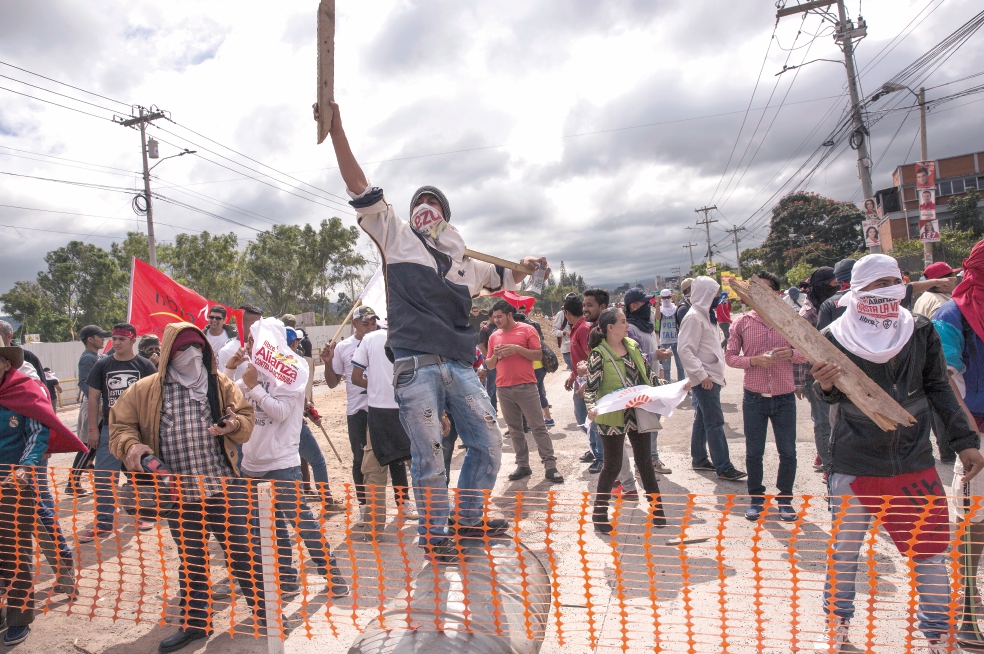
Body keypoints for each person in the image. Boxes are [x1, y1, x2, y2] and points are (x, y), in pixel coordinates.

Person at [319, 100, 547, 561]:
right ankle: (434, 534)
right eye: (419, 202)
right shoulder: (396, 237)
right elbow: (358, 185)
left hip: (460, 367)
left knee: (487, 443)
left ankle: (466, 521)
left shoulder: (466, 263)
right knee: (428, 456)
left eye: (434, 202)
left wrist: (523, 267)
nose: (426, 206)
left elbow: (507, 281)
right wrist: (339, 132)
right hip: (416, 368)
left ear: (445, 213)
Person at [811, 254, 984, 653]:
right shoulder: (834, 335)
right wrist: (823, 386)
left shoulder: (920, 329)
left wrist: (964, 442)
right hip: (854, 463)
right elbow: (828, 394)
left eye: (893, 281)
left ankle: (939, 636)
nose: (886, 291)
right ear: (856, 289)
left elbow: (939, 387)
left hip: (914, 462)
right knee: (844, 551)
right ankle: (837, 626)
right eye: (875, 284)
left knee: (929, 554)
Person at [108, 323, 266, 653]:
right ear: (168, 354)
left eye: (198, 348)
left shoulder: (219, 384)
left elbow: (246, 418)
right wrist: (133, 448)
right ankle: (196, 624)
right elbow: (120, 426)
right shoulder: (146, 390)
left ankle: (265, 613)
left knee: (242, 553)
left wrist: (235, 424)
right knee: (192, 561)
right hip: (178, 495)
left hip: (224, 487)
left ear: (206, 352)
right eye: (182, 350)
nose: (191, 355)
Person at [234, 318, 350, 600]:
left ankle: (334, 577)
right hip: (251, 464)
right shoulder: (250, 370)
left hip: (282, 464)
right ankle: (287, 579)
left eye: (252, 339)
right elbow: (230, 395)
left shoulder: (292, 370)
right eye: (249, 340)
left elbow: (281, 412)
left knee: (303, 524)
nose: (248, 344)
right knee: (269, 528)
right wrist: (230, 370)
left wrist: (255, 388)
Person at [0, 344, 87, 646]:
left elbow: (38, 433)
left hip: (16, 481)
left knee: (15, 551)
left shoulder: (25, 390)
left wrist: (24, 467)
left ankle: (20, 616)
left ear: (5, 362)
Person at [725, 271, 807, 520]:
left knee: (788, 452)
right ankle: (756, 499)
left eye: (766, 290)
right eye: (755, 290)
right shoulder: (741, 323)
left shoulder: (790, 321)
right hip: (754, 398)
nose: (760, 295)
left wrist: (791, 354)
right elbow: (730, 357)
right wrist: (753, 361)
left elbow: (807, 353)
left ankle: (785, 500)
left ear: (776, 294)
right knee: (754, 452)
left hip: (784, 397)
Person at [934, 240, 984, 643]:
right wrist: (969, 436)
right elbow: (947, 382)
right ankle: (967, 616)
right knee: (973, 524)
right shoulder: (953, 315)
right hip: (978, 436)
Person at [584, 308, 673, 533]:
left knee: (645, 463)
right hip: (612, 417)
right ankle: (599, 515)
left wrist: (672, 388)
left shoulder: (633, 346)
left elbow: (648, 377)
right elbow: (590, 388)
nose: (627, 326)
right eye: (623, 322)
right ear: (610, 328)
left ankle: (658, 511)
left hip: (638, 413)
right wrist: (590, 407)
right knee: (612, 466)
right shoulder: (598, 354)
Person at [79, 323, 157, 543]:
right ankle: (103, 523)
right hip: (110, 430)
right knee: (104, 477)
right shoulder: (102, 365)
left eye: (122, 339)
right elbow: (93, 398)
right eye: (114, 338)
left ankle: (144, 515)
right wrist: (93, 429)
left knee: (140, 475)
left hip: (138, 431)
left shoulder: (145, 366)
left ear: (133, 340)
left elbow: (155, 398)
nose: (117, 342)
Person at [486, 300, 564, 484]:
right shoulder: (493, 336)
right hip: (504, 388)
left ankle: (550, 466)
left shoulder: (527, 330)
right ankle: (522, 465)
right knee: (514, 430)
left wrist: (517, 349)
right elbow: (489, 365)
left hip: (526, 385)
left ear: (509, 314)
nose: (496, 320)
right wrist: (496, 355)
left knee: (538, 427)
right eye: (494, 317)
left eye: (499, 316)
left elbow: (538, 355)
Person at [679, 276, 746, 481]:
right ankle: (724, 467)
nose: (719, 296)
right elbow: (685, 351)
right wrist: (703, 375)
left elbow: (709, 349)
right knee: (715, 423)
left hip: (710, 377)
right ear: (706, 294)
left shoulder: (705, 315)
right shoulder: (693, 318)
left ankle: (699, 458)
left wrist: (717, 375)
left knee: (702, 419)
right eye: (715, 293)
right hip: (705, 379)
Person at [351, 325, 415, 532]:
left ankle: (375, 528)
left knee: (374, 471)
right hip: (409, 408)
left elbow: (355, 377)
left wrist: (376, 386)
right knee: (422, 466)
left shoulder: (370, 338)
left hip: (379, 412)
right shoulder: (411, 332)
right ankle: (433, 523)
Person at [322, 305, 378, 509]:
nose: (371, 327)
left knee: (391, 455)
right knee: (359, 458)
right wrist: (328, 363)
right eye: (366, 324)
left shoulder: (383, 341)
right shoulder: (344, 347)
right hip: (357, 411)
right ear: (353, 324)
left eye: (373, 323)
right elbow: (331, 382)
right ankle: (363, 505)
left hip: (381, 408)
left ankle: (401, 501)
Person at [284, 328, 340, 510]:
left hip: (276, 425)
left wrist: (308, 407)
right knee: (317, 461)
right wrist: (306, 407)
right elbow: (297, 396)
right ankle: (327, 501)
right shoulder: (295, 363)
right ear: (294, 343)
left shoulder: (270, 364)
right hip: (293, 425)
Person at [624, 287, 673, 475]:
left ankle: (652, 459)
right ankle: (641, 465)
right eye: (646, 302)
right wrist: (655, 355)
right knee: (643, 428)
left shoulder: (648, 325)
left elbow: (654, 348)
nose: (650, 305)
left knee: (653, 425)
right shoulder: (630, 328)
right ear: (634, 306)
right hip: (639, 384)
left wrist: (659, 371)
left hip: (652, 382)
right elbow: (631, 356)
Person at [798, 267, 839, 473]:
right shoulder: (808, 314)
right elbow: (797, 348)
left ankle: (826, 456)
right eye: (833, 284)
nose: (837, 288)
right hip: (814, 377)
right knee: (823, 423)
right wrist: (798, 383)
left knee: (835, 421)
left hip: (834, 374)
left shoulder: (832, 306)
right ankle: (829, 466)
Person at [66, 325, 110, 496]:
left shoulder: (96, 356)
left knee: (91, 446)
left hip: (96, 405)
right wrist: (97, 403)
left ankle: (74, 482)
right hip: (94, 406)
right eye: (100, 336)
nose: (103, 339)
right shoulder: (88, 358)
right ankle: (72, 483)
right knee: (89, 445)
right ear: (90, 339)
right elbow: (84, 382)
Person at [515, 302, 555, 427]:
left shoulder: (522, 334)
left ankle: (541, 420)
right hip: (540, 366)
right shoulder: (533, 328)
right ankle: (546, 418)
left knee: (533, 395)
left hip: (532, 368)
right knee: (539, 392)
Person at [218, 304, 263, 382]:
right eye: (254, 324)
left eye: (260, 324)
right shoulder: (226, 351)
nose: (258, 328)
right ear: (240, 323)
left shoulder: (265, 347)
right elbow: (222, 384)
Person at [658, 289, 684, 382]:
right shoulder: (660, 309)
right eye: (664, 298)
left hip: (676, 339)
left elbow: (679, 312)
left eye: (668, 297)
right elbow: (657, 317)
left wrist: (675, 299)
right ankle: (667, 386)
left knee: (680, 366)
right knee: (666, 368)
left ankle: (682, 386)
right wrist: (657, 303)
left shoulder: (674, 308)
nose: (666, 300)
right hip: (665, 340)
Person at [552, 298, 574, 370]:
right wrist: (564, 332)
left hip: (578, 349)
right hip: (567, 350)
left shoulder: (580, 313)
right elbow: (554, 332)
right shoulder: (561, 314)